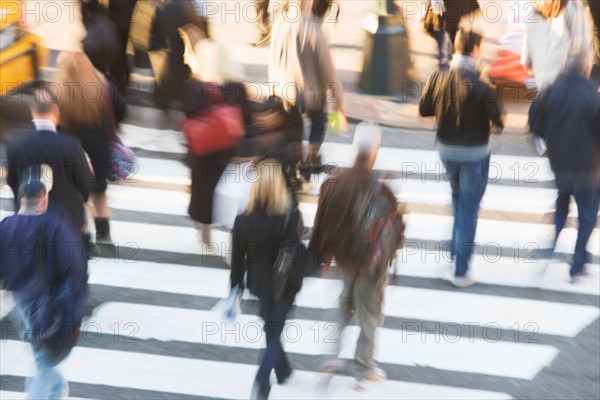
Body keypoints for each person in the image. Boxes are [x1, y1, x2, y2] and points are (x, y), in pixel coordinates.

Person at [309, 123, 403, 386]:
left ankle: (333, 356)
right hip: (369, 265)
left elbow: (321, 221)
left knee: (343, 305)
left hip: (343, 260)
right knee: (369, 313)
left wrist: (319, 254)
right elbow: (392, 231)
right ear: (375, 151)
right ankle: (363, 367)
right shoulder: (381, 186)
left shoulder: (334, 180)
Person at [419, 29, 505, 287]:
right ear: (476, 51)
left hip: (446, 149)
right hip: (475, 153)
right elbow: (499, 121)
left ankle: (453, 251)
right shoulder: (482, 86)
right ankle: (460, 270)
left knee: (457, 199)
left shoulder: (438, 77)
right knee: (468, 207)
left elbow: (424, 109)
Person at [0, 177, 89, 399]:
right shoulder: (55, 226)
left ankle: (56, 391)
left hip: (20, 299)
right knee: (44, 358)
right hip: (49, 300)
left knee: (41, 352)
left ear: (21, 199)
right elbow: (75, 265)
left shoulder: (6, 226)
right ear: (44, 199)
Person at [230, 159, 303, 399]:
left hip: (259, 283)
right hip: (284, 282)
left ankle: (283, 371)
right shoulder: (290, 216)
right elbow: (295, 247)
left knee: (271, 326)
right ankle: (262, 381)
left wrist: (235, 288)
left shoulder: (243, 219)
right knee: (274, 330)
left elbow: (237, 260)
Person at [528, 63, 600, 283]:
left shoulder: (551, 90)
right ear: (585, 70)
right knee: (587, 216)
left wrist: (548, 140)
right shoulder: (592, 95)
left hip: (559, 164)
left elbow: (534, 123)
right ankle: (578, 265)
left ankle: (551, 246)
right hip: (588, 168)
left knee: (562, 203)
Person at [54, 52, 127, 244]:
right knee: (99, 189)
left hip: (70, 145)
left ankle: (84, 234)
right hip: (99, 143)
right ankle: (104, 233)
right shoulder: (104, 88)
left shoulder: (59, 89)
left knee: (77, 191)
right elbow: (122, 110)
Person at [269, 0, 345, 178]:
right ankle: (309, 166)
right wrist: (338, 96)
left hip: (285, 91)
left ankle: (294, 167)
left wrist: (274, 87)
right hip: (313, 93)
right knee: (318, 127)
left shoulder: (280, 23)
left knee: (294, 132)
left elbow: (273, 60)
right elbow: (327, 68)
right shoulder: (313, 26)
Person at [6, 87, 93, 237]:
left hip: (28, 221)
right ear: (56, 111)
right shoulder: (71, 145)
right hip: (66, 221)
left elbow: (13, 182)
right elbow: (86, 184)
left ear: (32, 110)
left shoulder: (16, 144)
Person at [521, 0, 593, 154]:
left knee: (548, 102)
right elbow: (580, 43)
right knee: (565, 109)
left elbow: (527, 35)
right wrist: (583, 69)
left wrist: (526, 58)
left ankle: (544, 140)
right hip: (564, 69)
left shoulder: (536, 5)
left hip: (542, 67)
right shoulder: (573, 5)